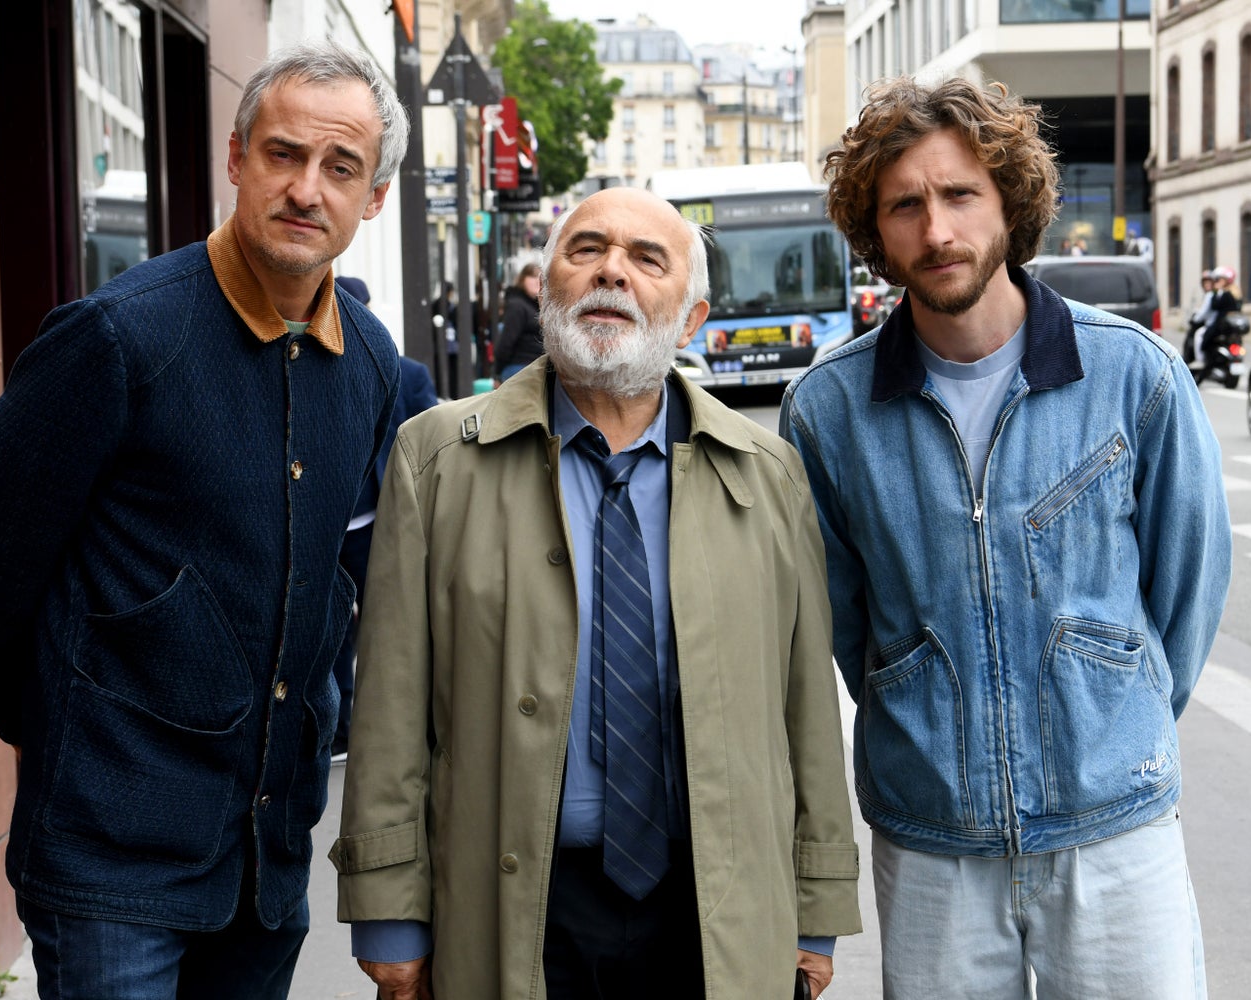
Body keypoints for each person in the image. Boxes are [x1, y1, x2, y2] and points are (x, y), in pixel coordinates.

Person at [0, 40, 408, 999]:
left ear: (374, 200)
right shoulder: (115, 336)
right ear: (235, 160)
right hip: (112, 864)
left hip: (266, 867)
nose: (306, 188)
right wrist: (56, 726)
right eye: (282, 154)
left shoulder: (370, 367)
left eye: (340, 167)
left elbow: (336, 587)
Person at [333, 186, 862, 1000]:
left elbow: (807, 713)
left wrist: (817, 907)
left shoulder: (767, 473)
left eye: (648, 259)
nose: (612, 270)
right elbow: (391, 709)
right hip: (513, 906)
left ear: (691, 320)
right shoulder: (436, 459)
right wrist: (390, 913)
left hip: (718, 909)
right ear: (548, 288)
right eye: (586, 250)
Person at [780, 77, 1230, 999]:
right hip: (933, 836)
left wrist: (1110, 719)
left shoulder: (1130, 376)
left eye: (959, 195)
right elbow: (840, 619)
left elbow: (1187, 592)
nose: (936, 231)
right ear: (876, 229)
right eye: (905, 204)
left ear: (1009, 203)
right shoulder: (826, 411)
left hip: (1114, 829)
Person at [329, 275, 441, 758]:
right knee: (330, 630)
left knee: (389, 625)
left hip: (377, 520)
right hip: (325, 525)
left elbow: (433, 444)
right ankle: (339, 725)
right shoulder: (305, 365)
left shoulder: (403, 372)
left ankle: (394, 723)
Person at [493, 261, 544, 381]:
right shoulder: (517, 305)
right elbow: (507, 341)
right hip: (520, 368)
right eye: (532, 276)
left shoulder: (535, 305)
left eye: (540, 277)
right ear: (522, 279)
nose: (537, 281)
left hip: (536, 367)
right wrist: (497, 372)